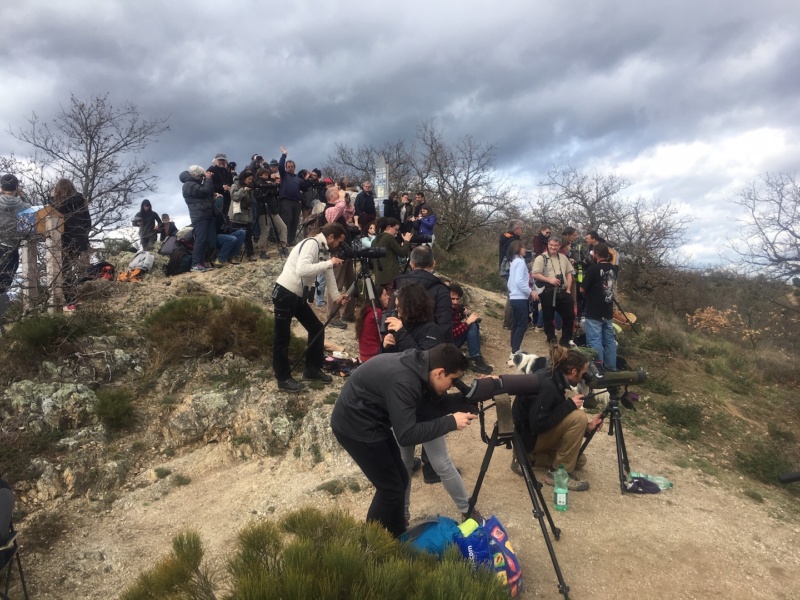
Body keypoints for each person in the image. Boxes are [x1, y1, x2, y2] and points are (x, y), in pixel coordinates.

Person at [330, 343, 478, 537]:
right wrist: (450, 422)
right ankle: (370, 547)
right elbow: (406, 435)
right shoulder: (405, 381)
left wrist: (475, 395)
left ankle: (398, 534)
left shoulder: (420, 367)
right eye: (453, 381)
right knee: (389, 489)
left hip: (373, 423)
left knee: (400, 477)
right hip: (355, 428)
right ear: (440, 372)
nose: (453, 386)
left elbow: (429, 408)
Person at [512, 344, 604, 491]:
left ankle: (527, 458)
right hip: (528, 436)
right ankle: (557, 475)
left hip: (528, 436)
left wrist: (588, 428)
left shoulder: (553, 376)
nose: (583, 378)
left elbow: (554, 415)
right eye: (583, 374)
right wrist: (569, 405)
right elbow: (538, 425)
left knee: (579, 460)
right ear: (574, 372)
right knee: (578, 416)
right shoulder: (548, 386)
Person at [272, 222, 350, 392]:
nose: (339, 245)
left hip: (296, 295)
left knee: (317, 328)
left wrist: (337, 297)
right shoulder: (312, 244)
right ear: (330, 237)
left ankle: (312, 369)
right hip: (286, 292)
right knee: (282, 337)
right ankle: (283, 378)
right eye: (339, 241)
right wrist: (329, 263)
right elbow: (302, 270)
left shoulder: (323, 248)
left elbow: (328, 273)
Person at [394, 244, 453, 342]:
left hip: (400, 343)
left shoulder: (400, 285)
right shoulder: (441, 289)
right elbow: (445, 325)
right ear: (433, 264)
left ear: (411, 264)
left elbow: (393, 315)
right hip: (430, 347)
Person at [51, 179, 92, 308]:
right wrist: (83, 236)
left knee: (64, 270)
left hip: (63, 240)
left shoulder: (57, 204)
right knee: (70, 269)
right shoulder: (80, 201)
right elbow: (87, 222)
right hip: (79, 240)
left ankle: (69, 300)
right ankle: (72, 298)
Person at [580, 243, 618, 373]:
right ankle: (611, 367)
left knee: (595, 341)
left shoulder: (593, 269)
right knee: (609, 341)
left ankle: (598, 370)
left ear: (596, 254)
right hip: (607, 310)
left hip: (594, 311)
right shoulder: (614, 269)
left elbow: (582, 288)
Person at [532, 236, 575, 347]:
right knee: (548, 316)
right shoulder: (541, 258)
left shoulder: (564, 258)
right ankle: (551, 337)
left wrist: (569, 288)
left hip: (563, 290)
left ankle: (565, 339)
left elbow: (569, 273)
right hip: (548, 291)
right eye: (551, 245)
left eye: (555, 245)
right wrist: (549, 280)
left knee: (569, 315)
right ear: (548, 245)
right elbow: (535, 274)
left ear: (559, 246)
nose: (553, 247)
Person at [180, 165, 217, 272]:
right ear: (195, 175)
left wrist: (209, 181)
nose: (202, 178)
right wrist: (208, 179)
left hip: (204, 214)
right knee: (200, 240)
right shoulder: (188, 185)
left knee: (204, 240)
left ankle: (201, 263)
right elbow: (204, 191)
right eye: (201, 176)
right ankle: (195, 264)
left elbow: (208, 192)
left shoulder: (194, 184)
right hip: (199, 215)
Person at [449, 283, 492, 375]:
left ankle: (477, 357)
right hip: (448, 345)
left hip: (453, 341)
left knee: (474, 324)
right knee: (471, 325)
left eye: (457, 299)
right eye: (452, 299)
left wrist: (463, 315)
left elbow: (455, 325)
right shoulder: (445, 311)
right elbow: (451, 334)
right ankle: (475, 358)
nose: (455, 302)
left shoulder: (454, 309)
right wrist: (467, 322)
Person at [0, 174, 30, 303]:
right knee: (4, 285)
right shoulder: (23, 206)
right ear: (16, 187)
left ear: (1, 187)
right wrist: (22, 195)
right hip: (11, 248)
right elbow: (34, 212)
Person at [507, 240, 534, 363]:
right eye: (523, 247)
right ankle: (515, 351)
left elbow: (510, 282)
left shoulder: (514, 262)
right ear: (518, 248)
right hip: (520, 298)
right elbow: (519, 281)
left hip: (513, 297)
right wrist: (530, 292)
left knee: (516, 323)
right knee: (522, 324)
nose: (525, 250)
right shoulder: (520, 262)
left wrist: (513, 291)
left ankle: (514, 349)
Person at [370, 217, 412, 288]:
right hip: (390, 276)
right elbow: (402, 252)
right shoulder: (388, 237)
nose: (396, 232)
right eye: (396, 229)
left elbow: (371, 261)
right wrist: (406, 241)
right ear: (389, 227)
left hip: (379, 277)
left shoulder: (374, 240)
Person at [499, 219, 524, 330]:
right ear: (516, 229)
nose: (522, 230)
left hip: (506, 268)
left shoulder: (507, 238)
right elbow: (514, 255)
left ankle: (510, 321)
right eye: (521, 227)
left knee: (511, 293)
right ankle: (509, 322)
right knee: (513, 294)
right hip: (511, 268)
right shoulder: (512, 241)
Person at [277, 147, 304, 246]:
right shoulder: (284, 175)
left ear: (294, 167)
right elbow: (280, 166)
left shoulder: (298, 179)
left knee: (295, 222)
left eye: (292, 166)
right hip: (286, 201)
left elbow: (305, 188)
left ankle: (291, 240)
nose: (290, 168)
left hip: (296, 202)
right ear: (286, 167)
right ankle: (285, 240)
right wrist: (284, 155)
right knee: (287, 221)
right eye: (288, 166)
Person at [356, 284, 389, 363]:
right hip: (373, 356)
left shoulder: (366, 311)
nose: (388, 297)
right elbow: (384, 337)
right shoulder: (377, 313)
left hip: (364, 355)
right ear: (379, 298)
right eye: (385, 295)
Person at [229, 170, 256, 261]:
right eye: (249, 179)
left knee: (248, 236)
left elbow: (250, 201)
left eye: (251, 179)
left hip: (247, 216)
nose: (250, 181)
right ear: (244, 178)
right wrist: (243, 190)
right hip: (237, 216)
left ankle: (250, 254)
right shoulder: (235, 186)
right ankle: (234, 255)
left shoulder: (250, 187)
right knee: (236, 237)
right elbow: (235, 197)